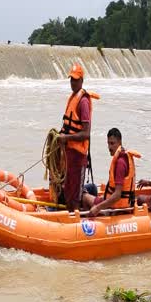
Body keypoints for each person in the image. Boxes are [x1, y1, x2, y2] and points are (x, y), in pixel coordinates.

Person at [57, 63, 99, 211]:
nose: (73, 83)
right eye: (71, 79)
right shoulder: (72, 98)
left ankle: (75, 224)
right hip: (69, 154)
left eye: (75, 80)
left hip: (78, 156)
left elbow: (86, 133)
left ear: (81, 80)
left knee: (75, 195)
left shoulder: (83, 102)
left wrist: (66, 138)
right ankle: (69, 216)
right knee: (68, 191)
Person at [82, 128, 140, 217]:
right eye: (108, 143)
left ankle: (89, 222)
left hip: (115, 207)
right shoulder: (124, 157)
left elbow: (117, 195)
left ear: (120, 142)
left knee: (84, 196)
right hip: (120, 204)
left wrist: (98, 208)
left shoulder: (120, 163)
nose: (110, 147)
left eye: (112, 143)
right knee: (92, 190)